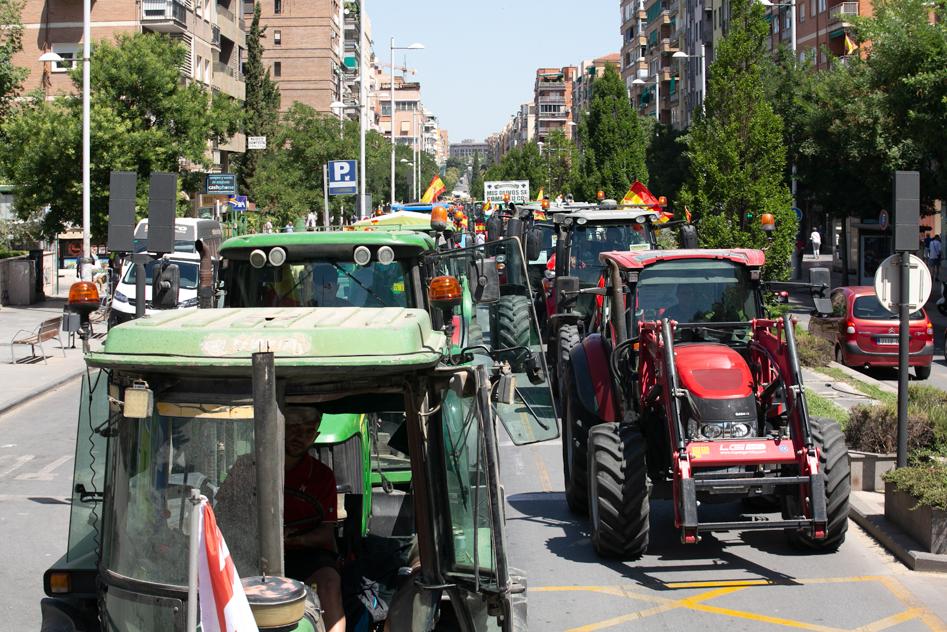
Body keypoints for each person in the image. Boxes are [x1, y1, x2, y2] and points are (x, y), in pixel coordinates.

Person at [283, 406, 345, 632]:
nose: (301, 436)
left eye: (309, 430)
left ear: (316, 437)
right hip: (251, 549)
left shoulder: (322, 476)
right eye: (294, 428)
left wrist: (291, 541)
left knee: (329, 581)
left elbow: (326, 533)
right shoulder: (247, 466)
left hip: (306, 554)